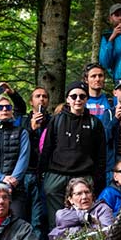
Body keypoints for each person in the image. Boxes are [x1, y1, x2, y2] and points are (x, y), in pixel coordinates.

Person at [39, 81, 107, 231]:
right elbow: (47, 149)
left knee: (84, 216)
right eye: (74, 96)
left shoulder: (95, 123)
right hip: (56, 175)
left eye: (82, 96)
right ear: (68, 99)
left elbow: (100, 154)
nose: (78, 99)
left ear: (86, 99)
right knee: (56, 218)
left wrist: (96, 177)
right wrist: (43, 174)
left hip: (83, 175)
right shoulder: (56, 120)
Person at [46, 178, 113, 240]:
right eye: (79, 194)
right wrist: (86, 217)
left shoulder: (102, 209)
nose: (84, 197)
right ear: (70, 199)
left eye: (87, 192)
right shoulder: (64, 214)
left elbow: (107, 232)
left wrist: (72, 230)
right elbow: (60, 219)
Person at [25, 86, 51, 239]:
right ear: (31, 101)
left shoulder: (53, 121)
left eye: (44, 96)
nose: (41, 99)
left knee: (41, 216)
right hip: (27, 172)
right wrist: (32, 129)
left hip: (45, 172)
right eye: (37, 96)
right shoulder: (23, 121)